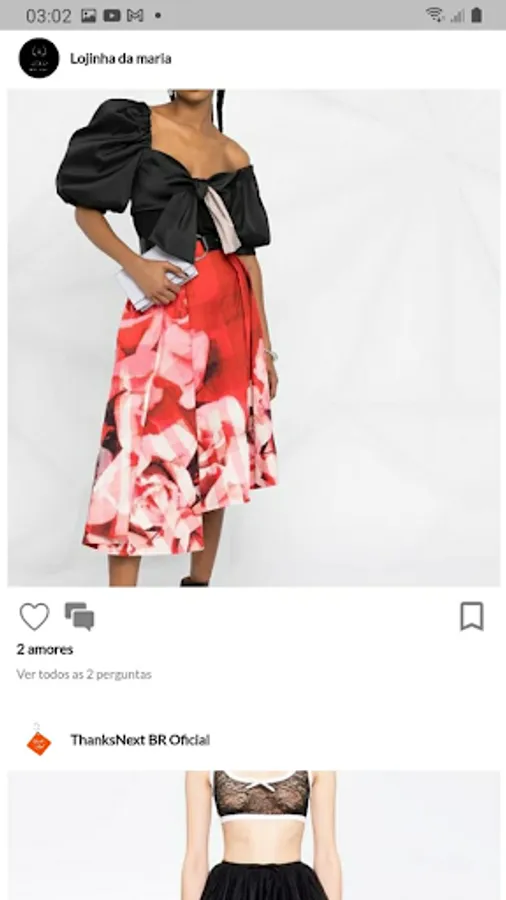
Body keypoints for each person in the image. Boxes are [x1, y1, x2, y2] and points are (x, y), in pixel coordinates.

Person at [56, 90, 278, 587]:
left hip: (231, 318)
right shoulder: (136, 127)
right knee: (134, 454)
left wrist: (265, 347)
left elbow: (247, 257)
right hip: (162, 309)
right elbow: (86, 212)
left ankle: (198, 590)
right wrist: (137, 266)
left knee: (218, 454)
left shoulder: (233, 153)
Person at [182, 772, 342, 900]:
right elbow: (195, 857)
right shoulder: (202, 769)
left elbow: (326, 855)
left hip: (294, 890)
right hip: (231, 889)